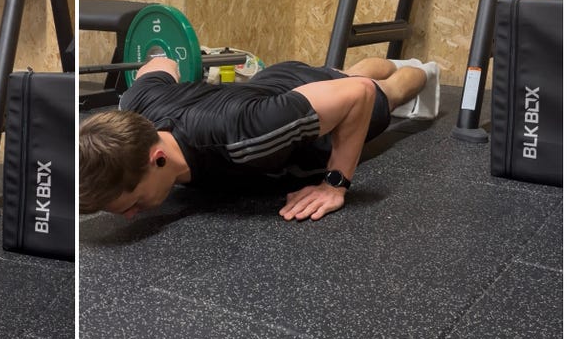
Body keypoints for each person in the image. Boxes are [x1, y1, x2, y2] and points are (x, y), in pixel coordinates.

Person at [79, 54, 439, 221]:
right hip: (279, 86)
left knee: (384, 93)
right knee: (340, 74)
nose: (130, 216)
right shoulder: (136, 106)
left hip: (311, 116)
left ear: (157, 158)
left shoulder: (243, 138)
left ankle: (423, 68)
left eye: (133, 204)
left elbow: (356, 94)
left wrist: (334, 183)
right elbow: (159, 62)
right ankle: (358, 68)